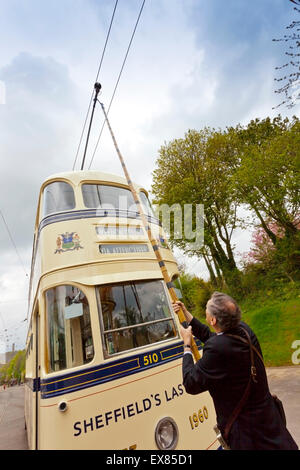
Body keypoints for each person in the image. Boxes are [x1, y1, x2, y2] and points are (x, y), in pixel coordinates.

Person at [173, 291, 298, 450]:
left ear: (213, 320)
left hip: (248, 436)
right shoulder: (244, 330)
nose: (205, 312)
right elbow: (213, 337)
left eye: (207, 310)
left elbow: (190, 383)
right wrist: (186, 314)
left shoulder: (218, 349)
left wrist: (187, 346)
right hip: (270, 425)